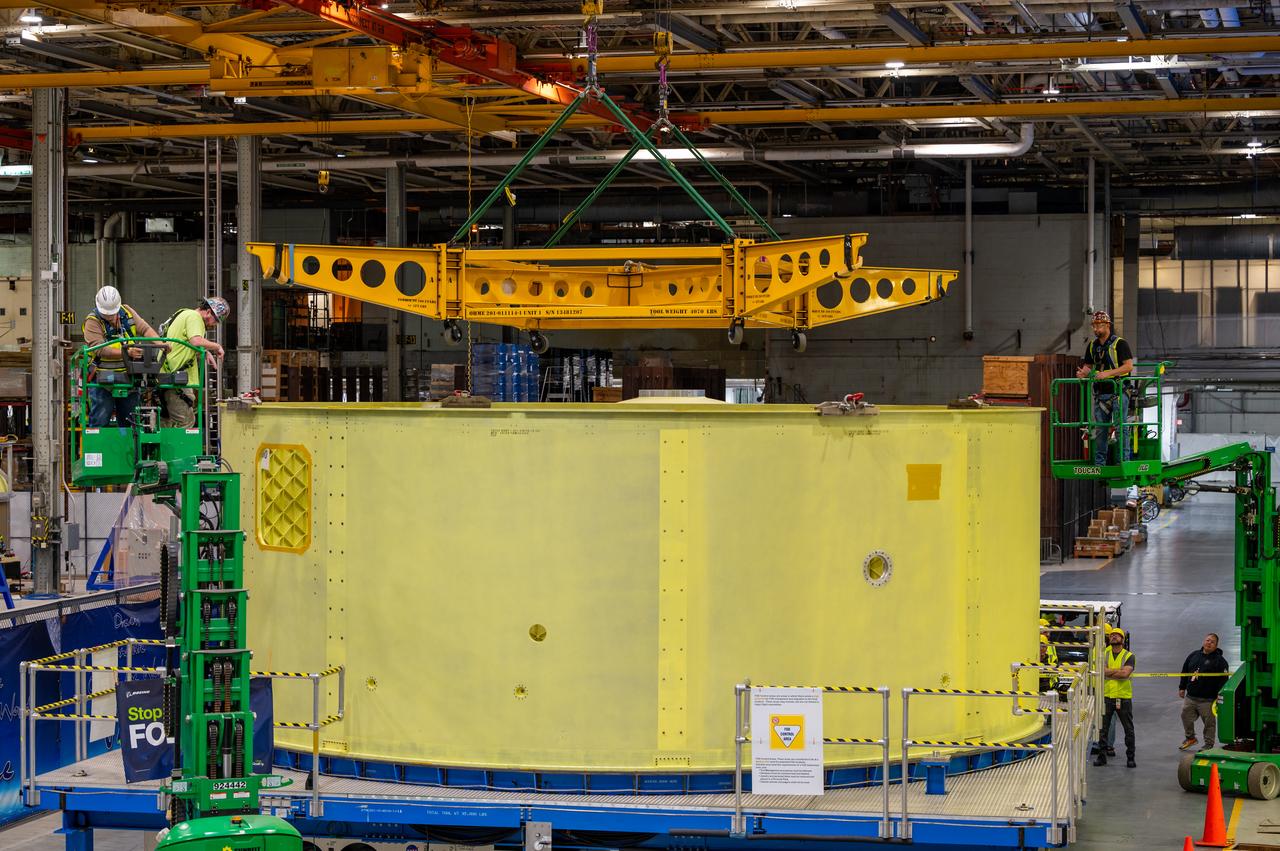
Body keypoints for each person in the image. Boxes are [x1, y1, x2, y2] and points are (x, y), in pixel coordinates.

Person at [81, 286, 164, 428]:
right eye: (106, 314)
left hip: (129, 377)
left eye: (112, 313)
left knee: (130, 421)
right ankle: (98, 449)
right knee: (100, 419)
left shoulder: (127, 312)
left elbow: (145, 329)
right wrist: (127, 352)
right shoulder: (92, 322)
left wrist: (162, 344)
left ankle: (129, 449)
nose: (110, 317)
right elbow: (100, 350)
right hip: (103, 379)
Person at [1075, 310, 1135, 466]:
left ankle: (1123, 461)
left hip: (1119, 392)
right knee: (1101, 429)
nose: (1096, 329)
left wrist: (1106, 374)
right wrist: (1084, 374)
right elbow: (1088, 367)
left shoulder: (1120, 344)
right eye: (1094, 326)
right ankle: (1100, 463)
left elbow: (1128, 366)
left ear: (1107, 325)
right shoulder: (1092, 346)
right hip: (1101, 393)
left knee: (1120, 427)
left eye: (1099, 325)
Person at [160, 297, 229, 428]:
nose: (214, 325)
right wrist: (217, 346)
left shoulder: (183, 313)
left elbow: (183, 343)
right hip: (176, 379)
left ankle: (163, 448)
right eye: (216, 321)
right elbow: (195, 341)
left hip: (168, 376)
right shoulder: (194, 317)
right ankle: (180, 449)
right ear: (208, 312)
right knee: (185, 422)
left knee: (167, 423)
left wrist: (205, 352)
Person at [1179, 633, 1230, 751]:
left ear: (1216, 646)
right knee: (1185, 716)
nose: (1209, 643)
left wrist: (1219, 697)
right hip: (1191, 697)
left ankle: (1208, 744)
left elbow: (1224, 681)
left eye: (1212, 642)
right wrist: (1182, 687)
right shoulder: (1193, 655)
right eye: (1207, 640)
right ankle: (1190, 738)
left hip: (1208, 700)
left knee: (1209, 724)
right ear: (1203, 641)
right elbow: (1185, 671)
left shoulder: (1220, 661)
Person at [1094, 627, 1136, 767]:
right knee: (1103, 729)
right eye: (1111, 635)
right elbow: (1102, 671)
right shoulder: (1103, 654)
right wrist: (1118, 670)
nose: (1113, 637)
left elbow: (1125, 674)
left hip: (1123, 697)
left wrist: (1109, 672)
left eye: (1117, 635)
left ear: (1122, 640)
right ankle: (1102, 756)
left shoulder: (1129, 656)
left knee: (1128, 729)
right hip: (1107, 696)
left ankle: (1130, 757)